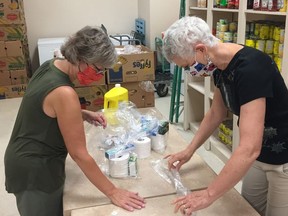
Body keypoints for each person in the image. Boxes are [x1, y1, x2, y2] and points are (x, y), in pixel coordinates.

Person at [4, 26, 145, 216]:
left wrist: (81, 113)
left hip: (24, 156)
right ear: (81, 58)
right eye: (98, 69)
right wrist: (113, 191)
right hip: (34, 172)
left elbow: (45, 106)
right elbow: (79, 154)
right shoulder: (64, 92)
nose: (98, 76)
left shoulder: (51, 65)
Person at [163, 16, 288, 216]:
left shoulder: (251, 69)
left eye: (187, 65)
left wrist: (208, 195)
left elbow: (248, 148)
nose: (188, 71)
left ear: (201, 49)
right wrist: (189, 150)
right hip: (259, 156)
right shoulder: (220, 66)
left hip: (283, 159)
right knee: (247, 209)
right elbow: (216, 113)